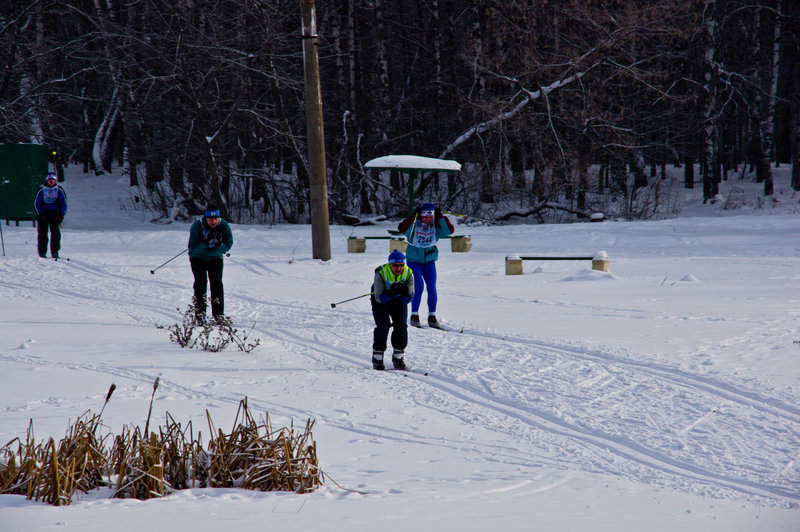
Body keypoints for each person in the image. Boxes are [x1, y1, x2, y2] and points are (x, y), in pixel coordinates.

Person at [397, 202, 454, 328]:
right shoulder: (413, 227)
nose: (428, 219)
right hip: (413, 260)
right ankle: (414, 314)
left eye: (431, 216)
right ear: (421, 216)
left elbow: (449, 231)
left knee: (431, 287)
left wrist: (441, 217)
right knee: (419, 286)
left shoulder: (436, 227)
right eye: (425, 216)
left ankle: (432, 316)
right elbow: (401, 228)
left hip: (429, 261)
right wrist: (413, 217)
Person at [188, 206, 233, 323]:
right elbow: (192, 248)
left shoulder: (224, 226)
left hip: (215, 258)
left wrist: (219, 247)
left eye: (215, 219)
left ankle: (218, 316)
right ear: (205, 218)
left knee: (217, 285)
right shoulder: (197, 226)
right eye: (210, 219)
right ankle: (200, 316)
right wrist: (206, 244)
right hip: (198, 259)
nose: (213, 221)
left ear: (219, 218)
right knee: (200, 285)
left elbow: (228, 243)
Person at [371, 249, 415, 370]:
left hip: (398, 300)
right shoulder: (381, 273)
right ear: (390, 264)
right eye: (395, 265)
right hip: (381, 300)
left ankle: (398, 356)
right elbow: (379, 298)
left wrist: (403, 294)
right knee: (383, 325)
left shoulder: (408, 273)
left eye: (401, 265)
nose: (398, 268)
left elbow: (410, 297)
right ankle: (377, 357)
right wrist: (391, 293)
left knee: (401, 325)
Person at [33, 172, 68, 259]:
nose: (51, 182)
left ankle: (55, 252)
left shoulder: (59, 190)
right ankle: (42, 252)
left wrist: (61, 215)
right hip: (44, 214)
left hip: (55, 214)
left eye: (53, 180)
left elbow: (63, 203)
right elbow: (37, 203)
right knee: (42, 234)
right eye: (49, 180)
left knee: (56, 234)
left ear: (55, 180)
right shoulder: (42, 190)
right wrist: (41, 214)